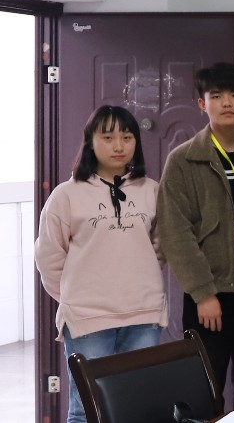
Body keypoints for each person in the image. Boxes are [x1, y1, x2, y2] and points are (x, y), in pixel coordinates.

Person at [37, 106, 166, 423]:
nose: (119, 146)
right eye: (108, 138)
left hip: (143, 315)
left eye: (127, 137)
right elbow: (49, 257)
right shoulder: (66, 196)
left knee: (139, 408)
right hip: (87, 320)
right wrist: (76, 298)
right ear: (90, 142)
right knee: (86, 410)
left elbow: (160, 249)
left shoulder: (151, 190)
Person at [156, 62, 234, 404]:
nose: (227, 103)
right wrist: (203, 293)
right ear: (201, 103)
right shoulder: (183, 161)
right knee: (204, 392)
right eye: (217, 95)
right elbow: (175, 232)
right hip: (210, 295)